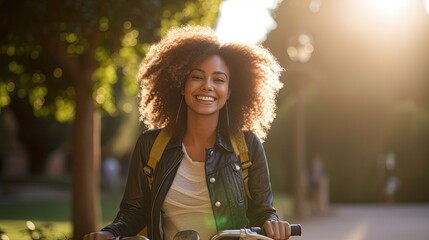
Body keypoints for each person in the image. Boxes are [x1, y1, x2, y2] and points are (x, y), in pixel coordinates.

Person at [84, 25, 290, 240]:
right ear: (182, 86)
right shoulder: (150, 145)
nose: (207, 86)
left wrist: (273, 223)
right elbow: (134, 211)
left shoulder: (247, 146)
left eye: (219, 80)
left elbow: (263, 211)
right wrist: (110, 232)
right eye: (197, 77)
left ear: (229, 92)